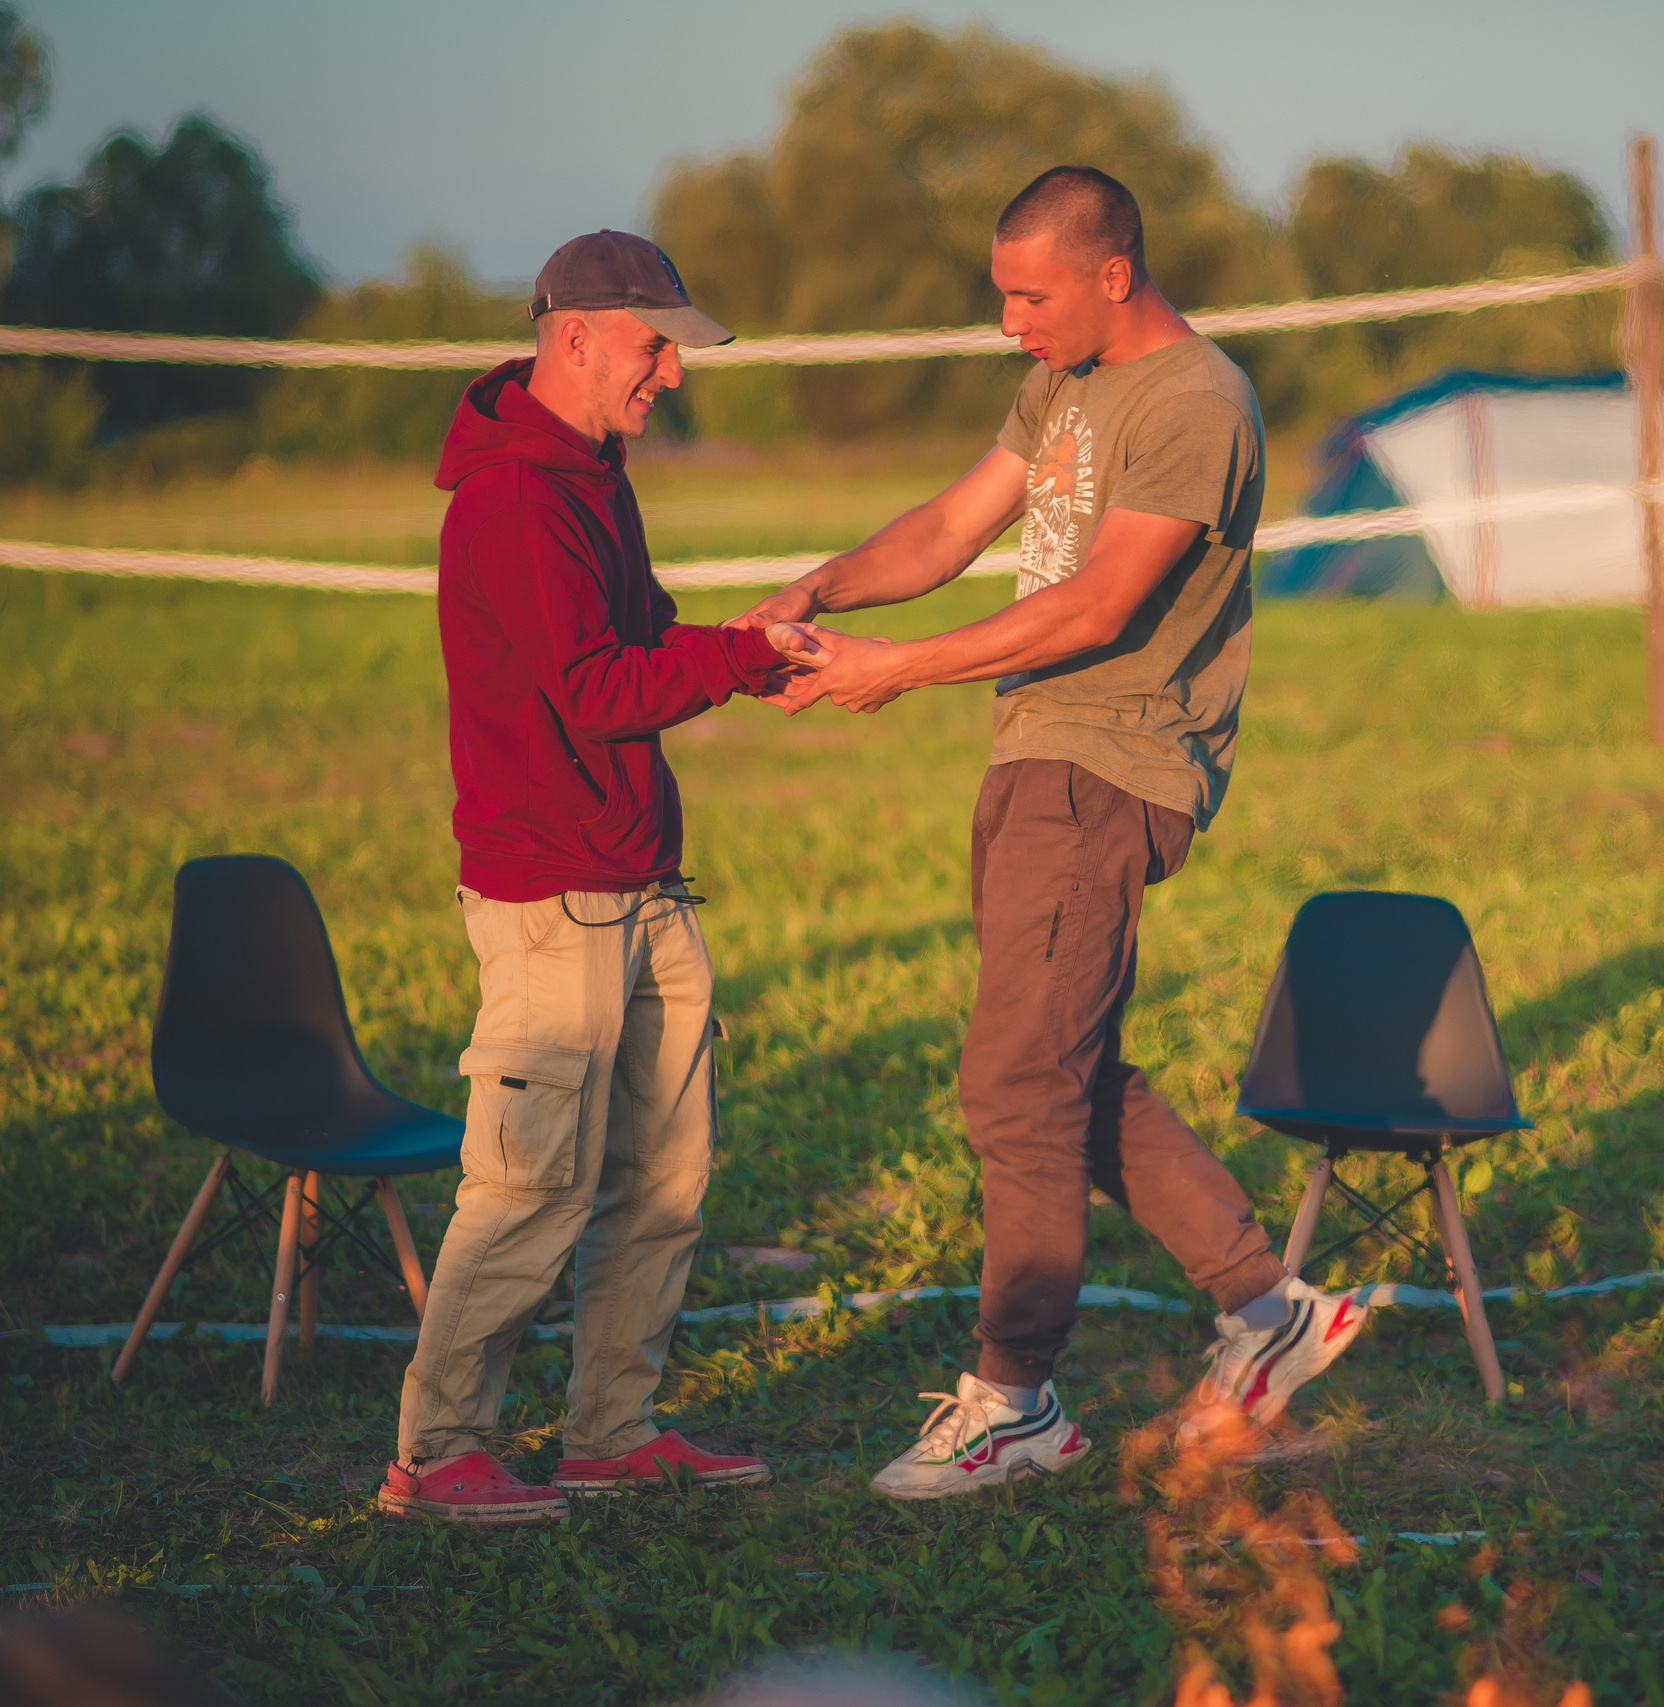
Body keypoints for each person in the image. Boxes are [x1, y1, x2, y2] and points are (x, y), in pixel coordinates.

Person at [733, 166, 1369, 1501]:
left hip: (1109, 764)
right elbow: (959, 524)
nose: (1012, 322)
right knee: (1056, 1067)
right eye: (1004, 296)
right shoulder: (1066, 384)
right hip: (1038, 758)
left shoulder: (1197, 404)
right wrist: (819, 585)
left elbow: (1099, 607)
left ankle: (1014, 1398)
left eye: (1030, 296)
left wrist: (894, 669)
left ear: (1111, 275)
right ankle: (1267, 1307)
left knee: (1014, 1087)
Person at [379, 230, 787, 1524]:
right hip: (551, 900)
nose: (671, 370)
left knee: (666, 1177)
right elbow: (598, 693)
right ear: (575, 338)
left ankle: (612, 1431)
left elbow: (643, 631)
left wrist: (760, 645)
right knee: (528, 1185)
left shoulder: (592, 473)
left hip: (642, 879)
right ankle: (438, 1454)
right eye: (655, 342)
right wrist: (736, 661)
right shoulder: (515, 499)